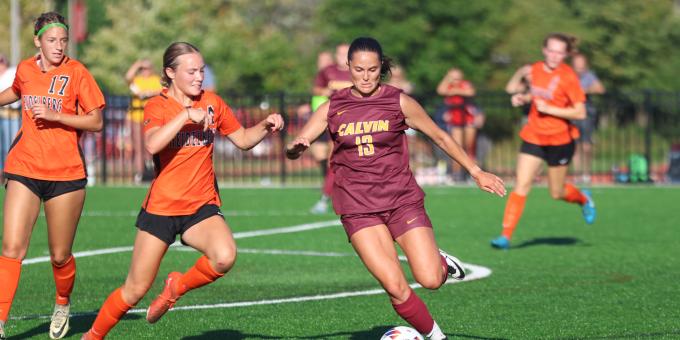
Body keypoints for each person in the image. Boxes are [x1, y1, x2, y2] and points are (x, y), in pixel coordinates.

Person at [286, 37, 505, 339]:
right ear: (347, 67)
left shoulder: (398, 101)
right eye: (359, 69)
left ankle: (440, 261)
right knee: (395, 287)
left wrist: (476, 171)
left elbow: (439, 137)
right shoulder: (332, 107)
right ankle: (434, 336)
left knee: (429, 279)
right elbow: (300, 141)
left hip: (401, 201)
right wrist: (296, 148)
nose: (365, 77)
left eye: (373, 70)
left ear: (381, 69)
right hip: (358, 207)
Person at [81, 42, 283, 339]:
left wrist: (265, 125)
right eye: (192, 71)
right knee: (134, 290)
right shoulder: (156, 105)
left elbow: (241, 138)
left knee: (225, 256)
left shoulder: (212, 101)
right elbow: (152, 144)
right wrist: (186, 116)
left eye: (201, 70)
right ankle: (92, 336)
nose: (200, 77)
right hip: (161, 209)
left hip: (200, 207)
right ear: (170, 73)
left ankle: (176, 287)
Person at [0, 12, 105, 340]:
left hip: (66, 174)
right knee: (11, 246)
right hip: (24, 167)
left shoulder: (77, 72)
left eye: (63, 40)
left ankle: (62, 302)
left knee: (60, 255)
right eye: (51, 40)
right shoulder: (26, 69)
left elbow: (96, 121)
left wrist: (58, 115)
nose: (59, 46)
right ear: (37, 42)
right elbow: (16, 91)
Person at [490, 33, 597, 250]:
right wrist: (523, 98)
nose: (555, 56)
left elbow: (580, 112)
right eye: (552, 50)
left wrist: (551, 110)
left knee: (556, 192)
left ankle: (584, 199)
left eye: (560, 52)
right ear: (544, 50)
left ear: (565, 54)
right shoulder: (536, 69)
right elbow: (531, 94)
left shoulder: (568, 77)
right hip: (533, 136)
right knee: (522, 184)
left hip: (560, 140)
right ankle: (505, 235)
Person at [308, 44, 353, 214]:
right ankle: (331, 187)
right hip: (328, 119)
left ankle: (325, 198)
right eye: (340, 53)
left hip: (349, 121)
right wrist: (325, 90)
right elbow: (316, 88)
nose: (342, 56)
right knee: (323, 157)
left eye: (345, 53)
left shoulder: (356, 70)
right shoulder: (327, 71)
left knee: (335, 160)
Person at [125, 59, 163, 184]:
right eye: (143, 69)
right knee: (138, 146)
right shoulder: (137, 80)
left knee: (151, 146)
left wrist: (148, 93)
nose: (145, 71)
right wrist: (137, 64)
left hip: (151, 118)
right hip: (137, 117)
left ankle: (153, 171)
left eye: (147, 68)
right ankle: (140, 173)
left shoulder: (155, 79)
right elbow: (128, 77)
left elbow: (161, 91)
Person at [436, 68, 477, 181]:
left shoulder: (465, 84)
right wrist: (447, 79)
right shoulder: (448, 85)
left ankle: (472, 174)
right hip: (455, 120)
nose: (456, 81)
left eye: (458, 78)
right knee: (457, 147)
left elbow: (471, 92)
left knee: (469, 147)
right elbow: (440, 90)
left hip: (468, 118)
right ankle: (457, 174)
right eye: (453, 78)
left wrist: (455, 91)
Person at [571, 53, 605, 184]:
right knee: (575, 146)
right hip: (572, 112)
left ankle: (586, 173)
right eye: (577, 64)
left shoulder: (589, 75)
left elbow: (600, 89)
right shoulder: (568, 75)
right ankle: (577, 174)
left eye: (581, 64)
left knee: (586, 146)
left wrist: (584, 90)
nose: (579, 67)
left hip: (586, 113)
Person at [0, 54, 21, 179]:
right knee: (2, 147)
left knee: (11, 145)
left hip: (13, 116)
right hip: (2, 115)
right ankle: (2, 172)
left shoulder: (10, 73)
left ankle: (11, 172)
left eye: (2, 63)